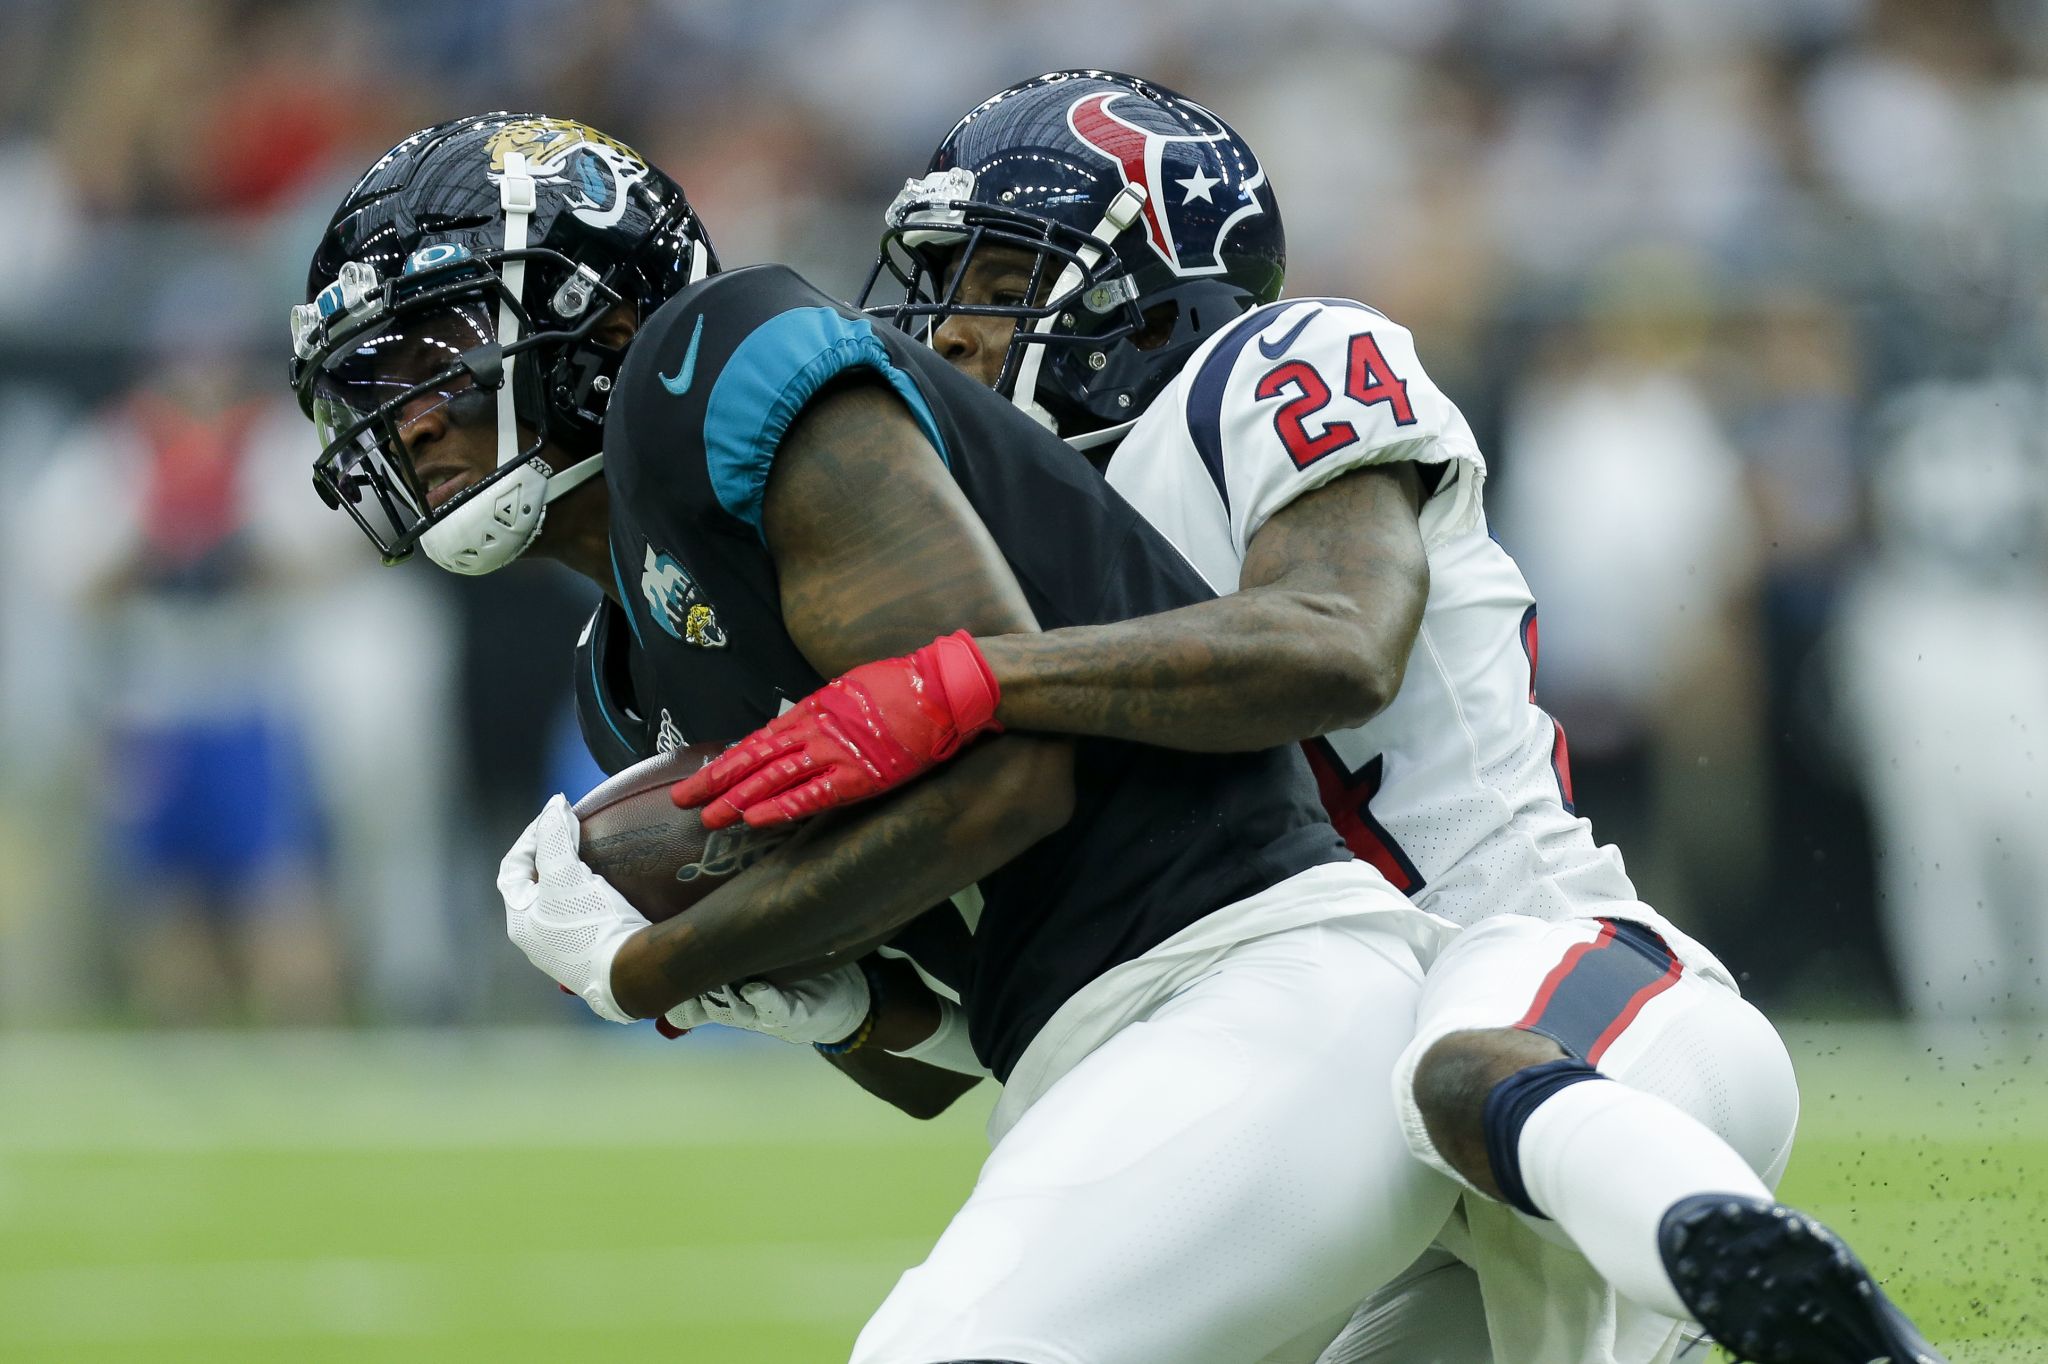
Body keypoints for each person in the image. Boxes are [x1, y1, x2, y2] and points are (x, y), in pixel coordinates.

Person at [673, 71, 1946, 1364]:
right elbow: (1030, 1015)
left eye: (1001, 284)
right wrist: (791, 982)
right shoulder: (1016, 553)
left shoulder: (1268, 368)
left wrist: (976, 681)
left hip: (1556, 978)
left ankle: (1821, 1321)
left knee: (1457, 1062)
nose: (949, 334)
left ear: (1154, 281)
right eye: (945, 283)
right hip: (1366, 1129)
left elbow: (1339, 642)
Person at [288, 111, 1463, 1364]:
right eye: (374, 374)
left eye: (436, 343)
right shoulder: (624, 678)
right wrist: (805, 996)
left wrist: (652, 970)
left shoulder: (711, 362)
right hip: (1099, 1057)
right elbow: (936, 1053)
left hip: (1249, 995)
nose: (403, 414)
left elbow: (1008, 777)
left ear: (603, 317)